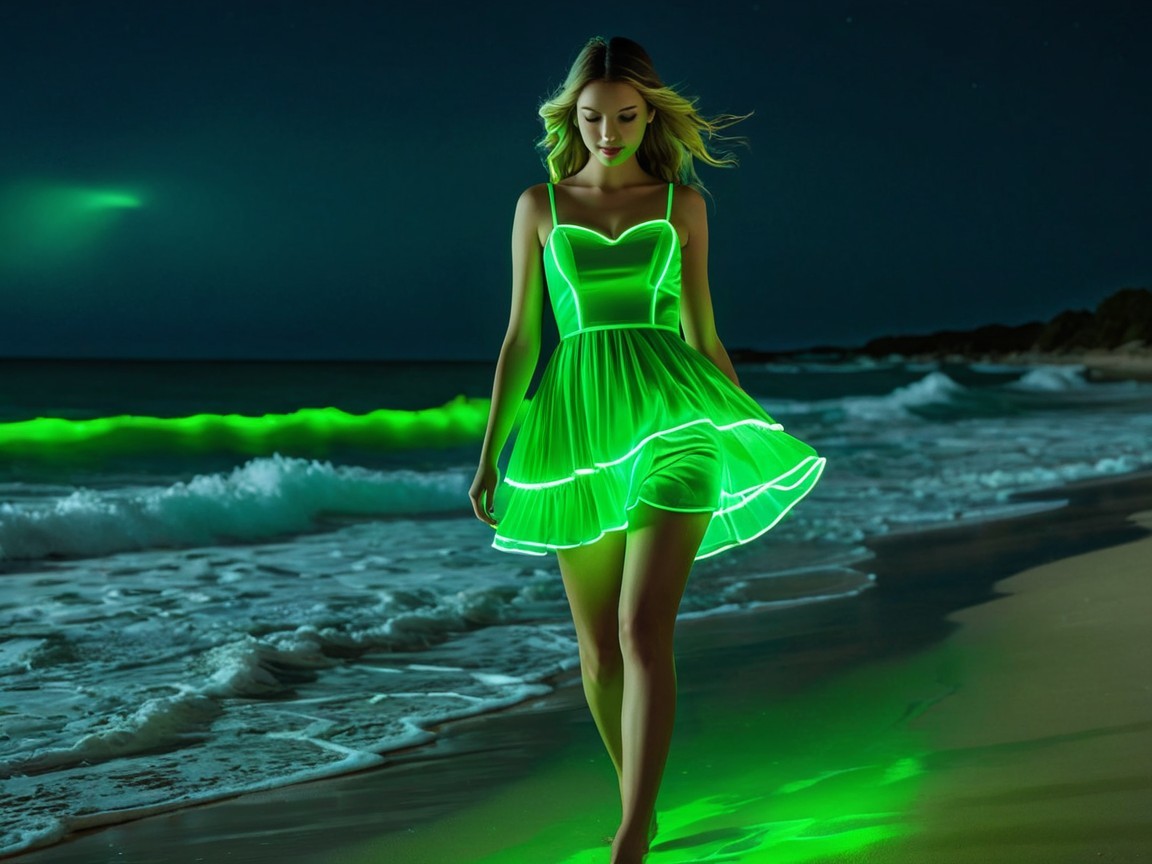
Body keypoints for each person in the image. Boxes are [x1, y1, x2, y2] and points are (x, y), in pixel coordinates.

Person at [468, 35, 825, 864]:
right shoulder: (539, 205)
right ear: (572, 116)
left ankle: (631, 834)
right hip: (574, 430)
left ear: (649, 114)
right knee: (596, 650)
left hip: (679, 421)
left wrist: (747, 426)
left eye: (626, 116)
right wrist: (492, 453)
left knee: (639, 629)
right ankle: (643, 796)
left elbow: (703, 333)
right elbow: (522, 338)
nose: (608, 131)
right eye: (593, 117)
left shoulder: (682, 205)